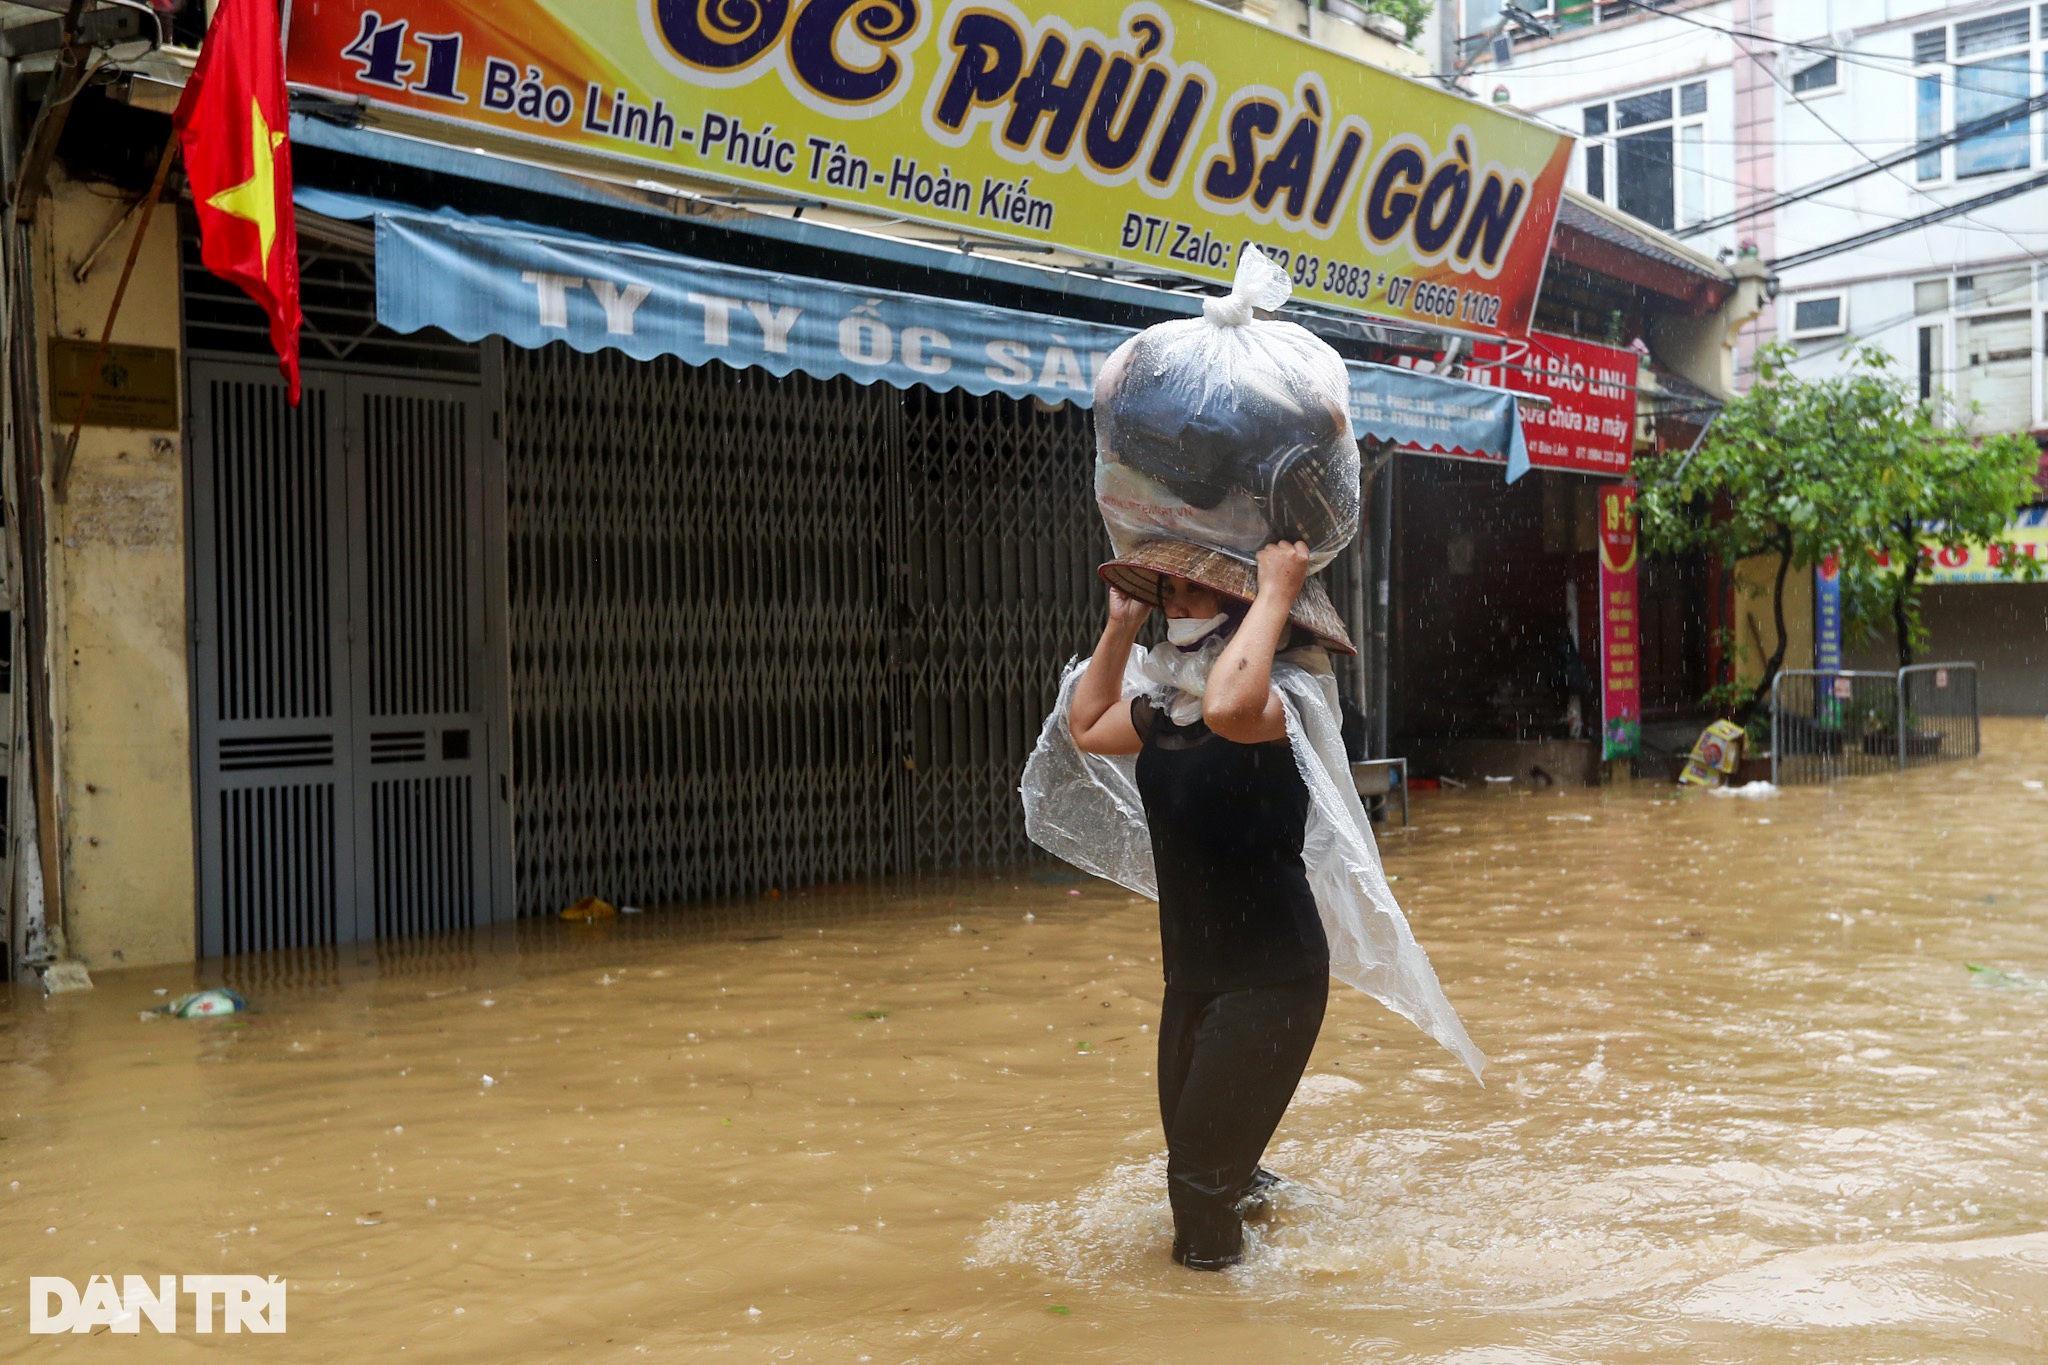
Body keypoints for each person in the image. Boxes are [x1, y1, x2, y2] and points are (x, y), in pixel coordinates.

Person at [1066, 537, 1339, 1271]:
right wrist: (1121, 625)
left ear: (1241, 612)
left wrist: (1278, 588)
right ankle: (1309, 1251)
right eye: (1168, 593)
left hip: (1272, 978)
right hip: (1192, 979)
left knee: (1196, 1187)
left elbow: (1227, 703)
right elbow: (1087, 725)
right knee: (1218, 1167)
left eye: (1193, 592)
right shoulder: (1167, 713)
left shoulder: (1272, 707)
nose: (1173, 605)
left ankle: (1212, 1324)